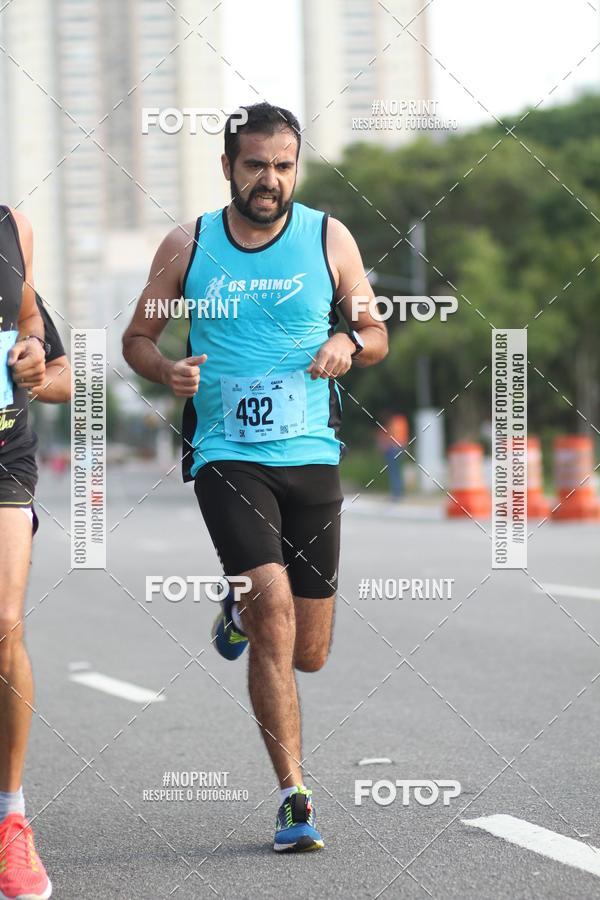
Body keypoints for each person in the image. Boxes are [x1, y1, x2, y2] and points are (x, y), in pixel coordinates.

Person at [123, 102, 388, 852]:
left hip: (310, 456)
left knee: (310, 652)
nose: (269, 180)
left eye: (283, 166)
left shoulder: (328, 237)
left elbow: (376, 333)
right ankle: (294, 797)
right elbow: (137, 338)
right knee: (271, 606)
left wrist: (346, 339)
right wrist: (165, 366)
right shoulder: (190, 244)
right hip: (226, 455)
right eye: (255, 165)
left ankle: (234, 615)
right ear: (227, 167)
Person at [0, 205, 70, 900]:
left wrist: (32, 360)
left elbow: (62, 372)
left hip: (3, 460)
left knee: (3, 626)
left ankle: (9, 822)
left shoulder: (14, 227)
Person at [376, 412, 409, 500]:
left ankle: (396, 494)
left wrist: (383, 446)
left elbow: (389, 436)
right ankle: (399, 492)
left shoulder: (392, 423)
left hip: (392, 448)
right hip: (400, 447)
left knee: (393, 471)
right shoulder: (402, 421)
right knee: (397, 471)